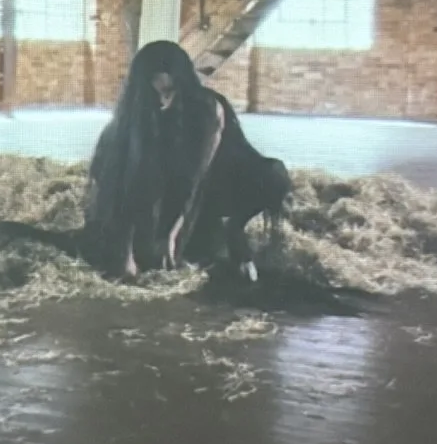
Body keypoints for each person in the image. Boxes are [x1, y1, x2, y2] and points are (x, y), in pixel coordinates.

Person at [85, 39, 291, 280]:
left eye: (167, 92)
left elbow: (195, 177)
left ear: (179, 80)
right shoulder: (139, 112)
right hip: (174, 188)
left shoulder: (206, 108)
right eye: (154, 90)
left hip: (220, 181)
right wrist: (125, 248)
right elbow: (127, 175)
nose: (162, 100)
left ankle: (233, 230)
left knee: (272, 175)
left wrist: (172, 235)